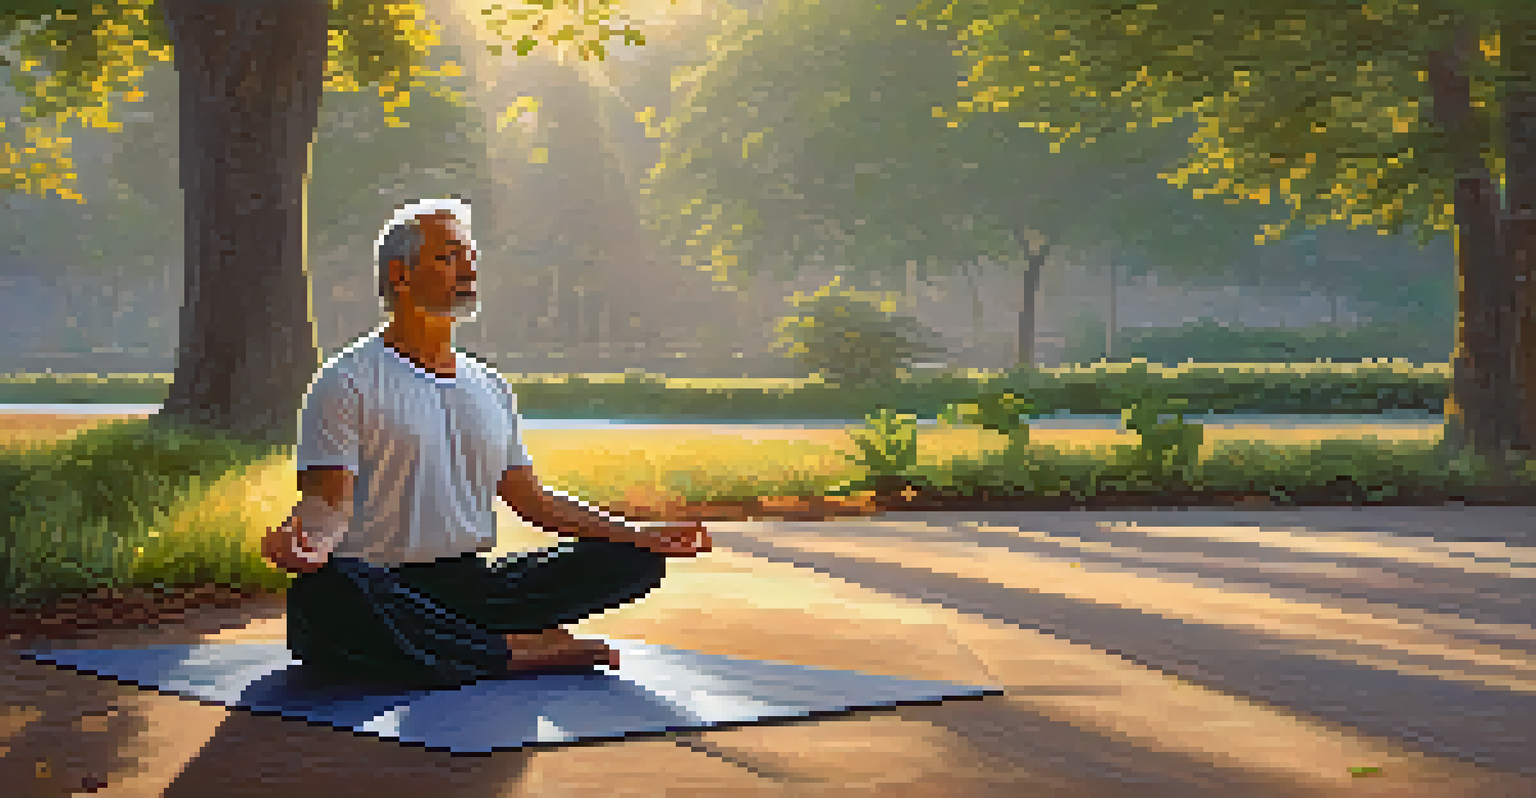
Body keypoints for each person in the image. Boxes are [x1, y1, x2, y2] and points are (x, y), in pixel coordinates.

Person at [261, 197, 711, 688]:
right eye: (448, 256)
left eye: (469, 254)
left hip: (474, 586)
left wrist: (639, 534)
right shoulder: (346, 380)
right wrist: (305, 541)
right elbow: (328, 503)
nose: (467, 267)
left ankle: (457, 644)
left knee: (632, 561)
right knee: (325, 595)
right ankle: (516, 651)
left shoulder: (490, 385)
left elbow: (533, 501)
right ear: (400, 274)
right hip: (381, 585)